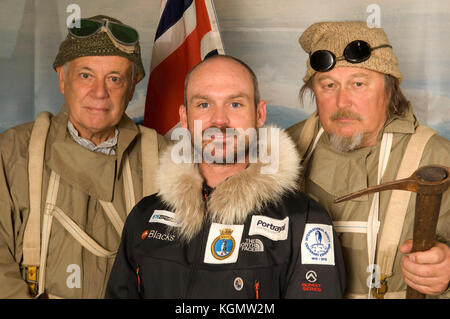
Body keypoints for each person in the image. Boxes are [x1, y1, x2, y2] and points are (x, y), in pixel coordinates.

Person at [105, 55, 346, 299]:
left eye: (235, 104)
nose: (219, 121)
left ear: (259, 114)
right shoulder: (145, 216)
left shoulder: (304, 221)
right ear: (184, 118)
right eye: (204, 105)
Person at [0, 15, 167, 298]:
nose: (99, 92)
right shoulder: (14, 151)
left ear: (132, 86)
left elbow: (184, 268)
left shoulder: (165, 158)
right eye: (85, 75)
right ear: (62, 78)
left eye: (114, 79)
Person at [287, 21, 450, 298]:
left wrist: (446, 268)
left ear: (389, 90)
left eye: (358, 84)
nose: (342, 102)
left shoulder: (437, 158)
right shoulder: (285, 151)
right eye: (328, 85)